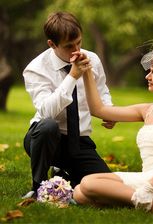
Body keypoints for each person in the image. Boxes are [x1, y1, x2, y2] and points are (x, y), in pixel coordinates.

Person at [71, 37, 153, 216]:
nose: (147, 76)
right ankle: (140, 202)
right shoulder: (147, 110)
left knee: (88, 184)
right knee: (79, 192)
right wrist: (86, 71)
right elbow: (99, 110)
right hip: (147, 178)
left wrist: (149, 187)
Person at [22, 11, 115, 199]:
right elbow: (46, 111)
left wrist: (109, 110)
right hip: (44, 140)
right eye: (69, 46)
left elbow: (102, 90)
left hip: (79, 142)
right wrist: (72, 76)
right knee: (48, 126)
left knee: (107, 187)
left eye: (79, 42)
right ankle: (38, 186)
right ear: (52, 44)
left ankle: (63, 173)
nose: (77, 50)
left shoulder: (92, 59)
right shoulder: (36, 68)